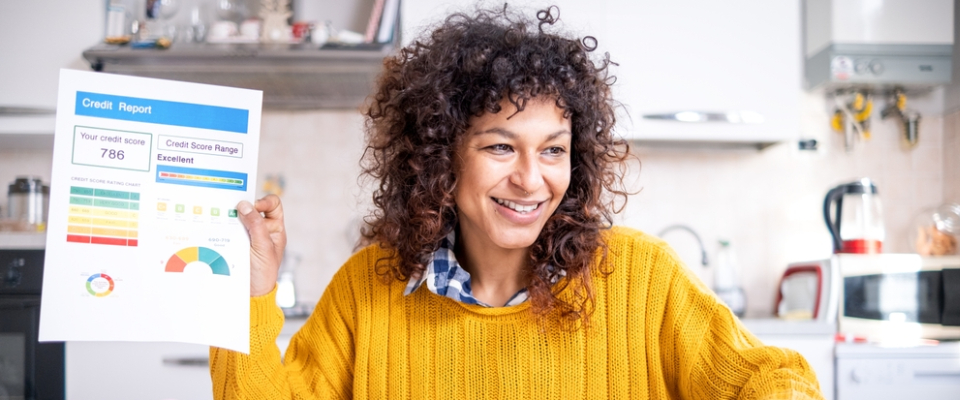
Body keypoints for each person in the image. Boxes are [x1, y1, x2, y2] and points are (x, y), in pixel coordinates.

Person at [210, 5, 824, 399]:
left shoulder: (642, 278)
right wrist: (249, 296)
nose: (532, 180)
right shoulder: (365, 290)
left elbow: (773, 379)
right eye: (501, 147)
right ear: (441, 154)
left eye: (553, 150)